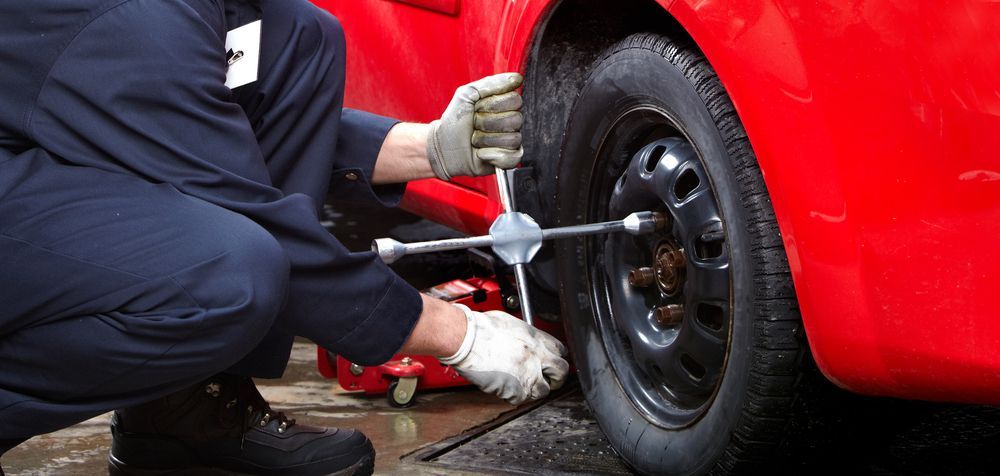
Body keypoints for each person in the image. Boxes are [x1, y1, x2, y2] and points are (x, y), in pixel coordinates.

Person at [0, 0, 569, 474]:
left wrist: (429, 149)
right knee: (230, 277)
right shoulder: (136, 19)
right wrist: (455, 333)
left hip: (42, 130)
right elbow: (213, 170)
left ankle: (186, 408)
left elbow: (204, 118)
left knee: (299, 41)